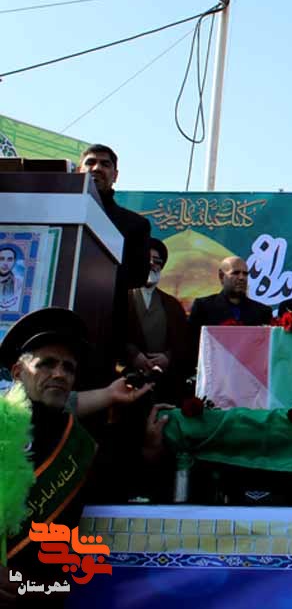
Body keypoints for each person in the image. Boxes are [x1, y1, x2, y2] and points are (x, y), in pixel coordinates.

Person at [0, 308, 154, 606]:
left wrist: (149, 451)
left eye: (68, 368)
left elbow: (116, 492)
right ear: (18, 372)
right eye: (46, 364)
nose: (60, 374)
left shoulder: (79, 443)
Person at [78, 145, 151, 374]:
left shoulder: (135, 225)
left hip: (102, 331)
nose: (97, 168)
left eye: (105, 164)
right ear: (79, 170)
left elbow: (138, 276)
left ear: (115, 175)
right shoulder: (60, 211)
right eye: (90, 162)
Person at [125, 237, 191, 393]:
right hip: (125, 379)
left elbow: (184, 342)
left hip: (163, 382)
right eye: (146, 260)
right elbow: (112, 332)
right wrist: (133, 355)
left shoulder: (173, 305)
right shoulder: (121, 297)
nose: (151, 264)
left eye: (156, 261)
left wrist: (167, 357)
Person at [0, 245, 23, 312]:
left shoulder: (18, 283)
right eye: (2, 259)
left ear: (14, 262)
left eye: (9, 259)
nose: (5, 263)